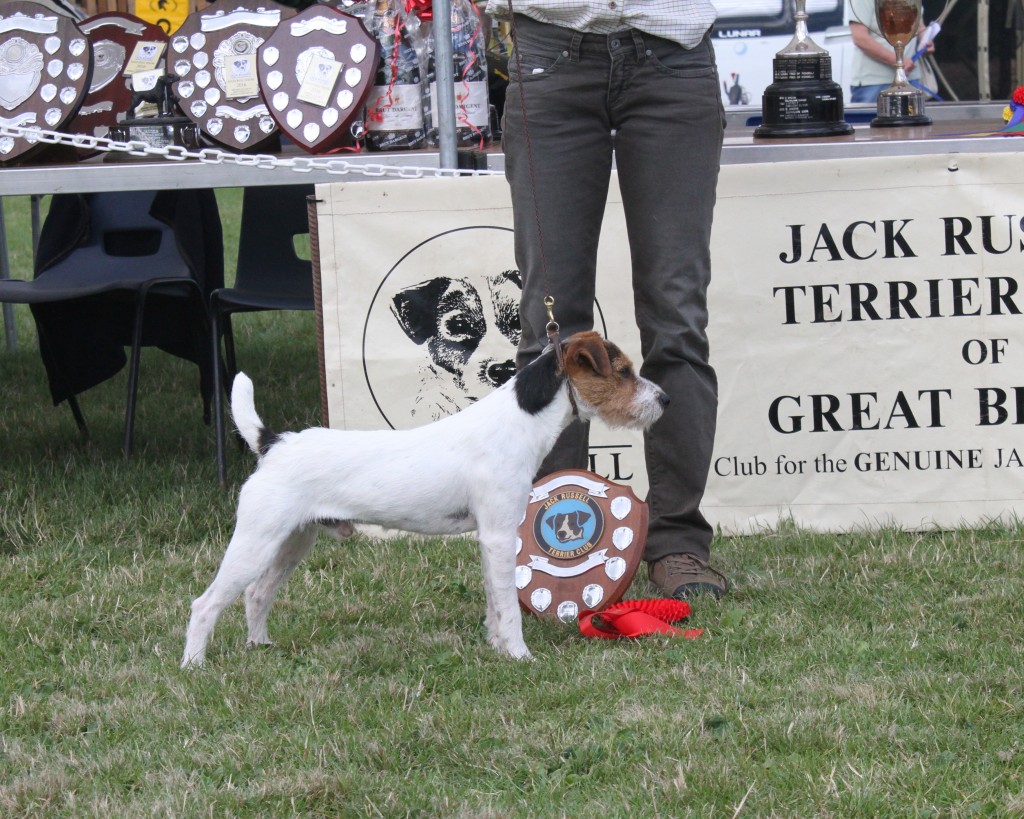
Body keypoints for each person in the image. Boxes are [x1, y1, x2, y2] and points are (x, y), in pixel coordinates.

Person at [485, 0, 728, 599]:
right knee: (551, 328)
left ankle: (678, 545)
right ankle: (558, 540)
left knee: (678, 317)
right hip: (550, 52)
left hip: (674, 54)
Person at [849, 0, 935, 103]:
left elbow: (919, 25)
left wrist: (925, 40)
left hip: (911, 78)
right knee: (869, 119)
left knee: (913, 119)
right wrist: (898, 61)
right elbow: (860, 37)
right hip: (874, 82)